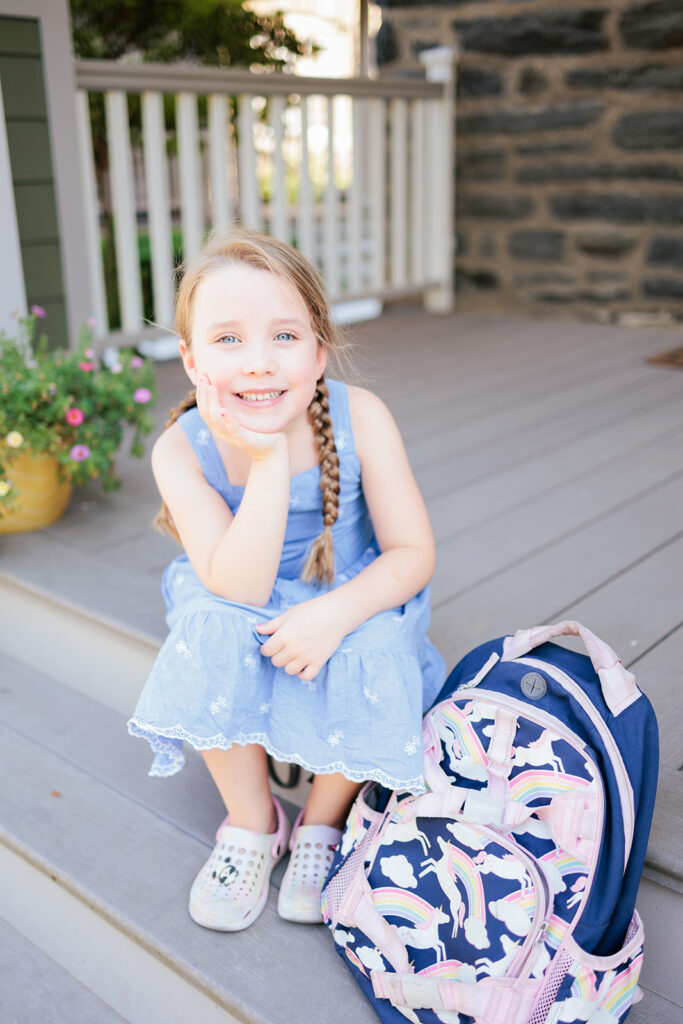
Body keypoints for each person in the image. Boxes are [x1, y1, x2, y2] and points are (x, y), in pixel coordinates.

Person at [127, 228, 445, 932]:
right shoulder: (182, 449)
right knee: (207, 627)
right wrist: (266, 462)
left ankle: (320, 824)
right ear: (190, 359)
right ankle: (252, 822)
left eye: (284, 336)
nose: (259, 364)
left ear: (320, 348)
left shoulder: (361, 417)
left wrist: (333, 615)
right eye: (228, 340)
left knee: (368, 648)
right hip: (240, 589)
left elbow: (412, 553)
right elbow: (235, 589)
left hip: (351, 591)